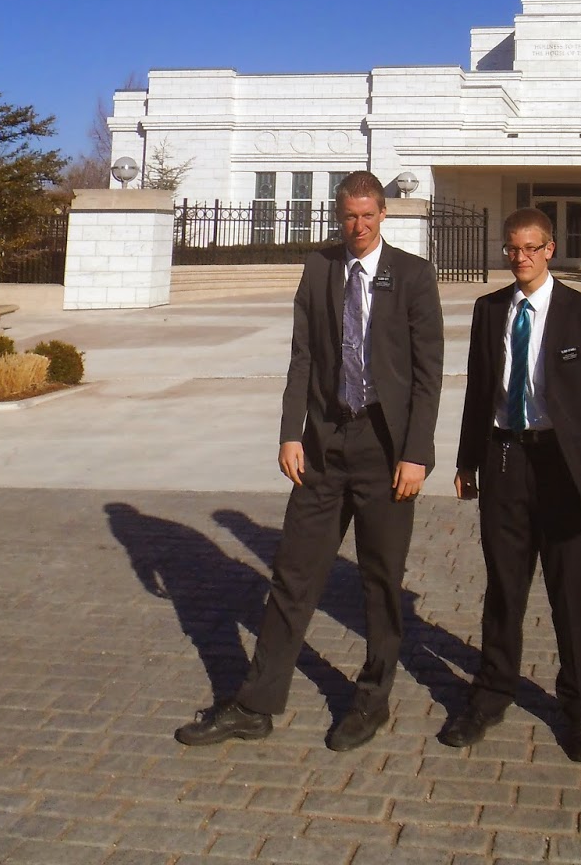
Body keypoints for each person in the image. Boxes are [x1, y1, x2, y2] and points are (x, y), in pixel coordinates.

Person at [175, 170, 444, 753]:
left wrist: (417, 453)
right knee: (294, 575)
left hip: (386, 450)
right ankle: (256, 704)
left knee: (380, 580)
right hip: (324, 444)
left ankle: (371, 700)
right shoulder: (319, 267)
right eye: (349, 216)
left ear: (383, 215)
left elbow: (429, 373)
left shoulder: (413, 275)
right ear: (337, 215)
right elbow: (302, 356)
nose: (359, 226)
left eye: (368, 215)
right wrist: (290, 433)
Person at [441, 207, 581, 762]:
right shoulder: (489, 309)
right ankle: (491, 694)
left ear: (550, 249)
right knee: (504, 588)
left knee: (573, 593)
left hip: (565, 469)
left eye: (530, 248)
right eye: (512, 249)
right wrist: (467, 461)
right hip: (505, 460)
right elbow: (479, 390)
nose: (520, 258)